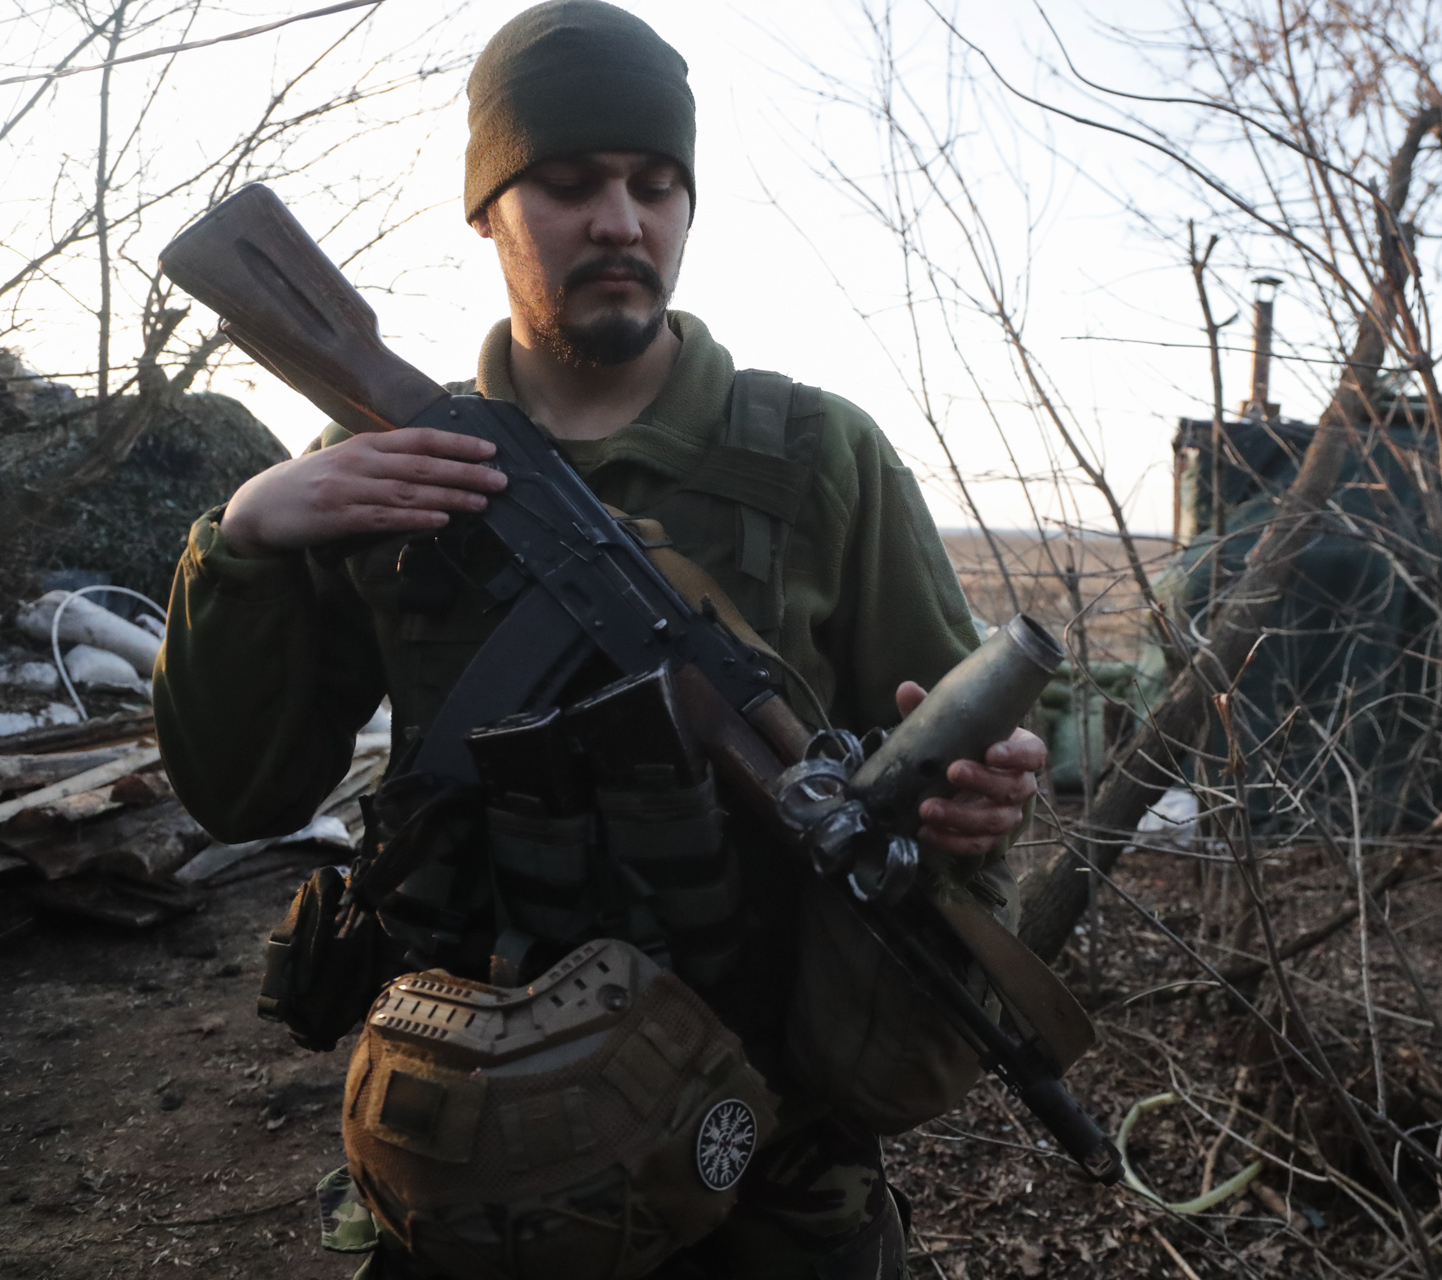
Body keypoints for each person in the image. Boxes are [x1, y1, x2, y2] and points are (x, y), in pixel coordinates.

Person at [152, 3, 1047, 1278]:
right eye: (568, 184)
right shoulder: (385, 469)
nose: (621, 219)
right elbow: (239, 791)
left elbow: (942, 763)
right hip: (471, 1154)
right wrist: (242, 542)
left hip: (771, 1166)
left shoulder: (821, 455)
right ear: (488, 213)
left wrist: (978, 794)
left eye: (655, 183)